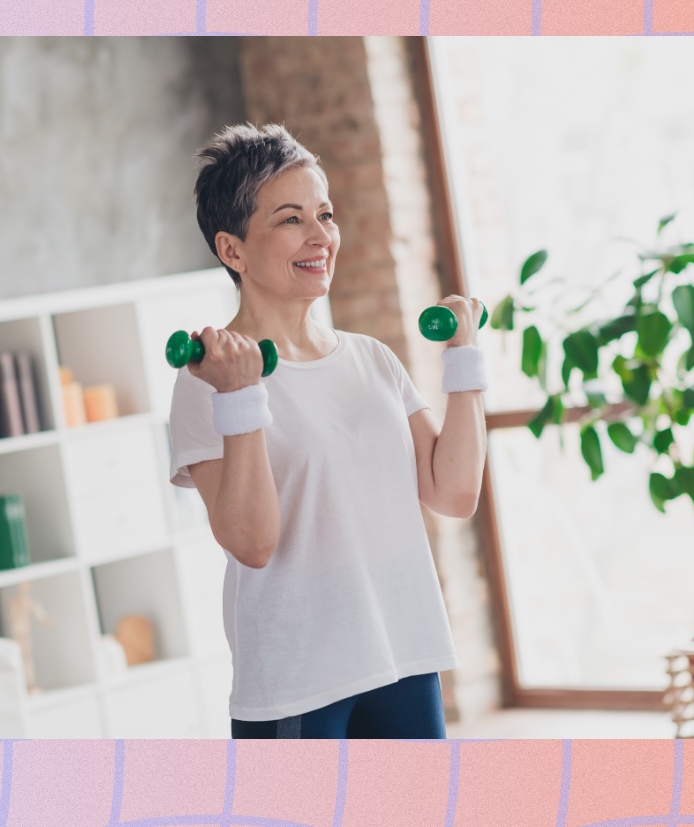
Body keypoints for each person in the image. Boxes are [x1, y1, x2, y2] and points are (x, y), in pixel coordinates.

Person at [168, 122, 488, 739]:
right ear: (232, 250)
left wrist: (464, 359)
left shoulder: (371, 359)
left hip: (403, 655)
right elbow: (252, 542)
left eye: (326, 214)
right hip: (299, 679)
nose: (321, 237)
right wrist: (240, 396)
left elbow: (453, 492)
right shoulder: (207, 379)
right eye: (291, 220)